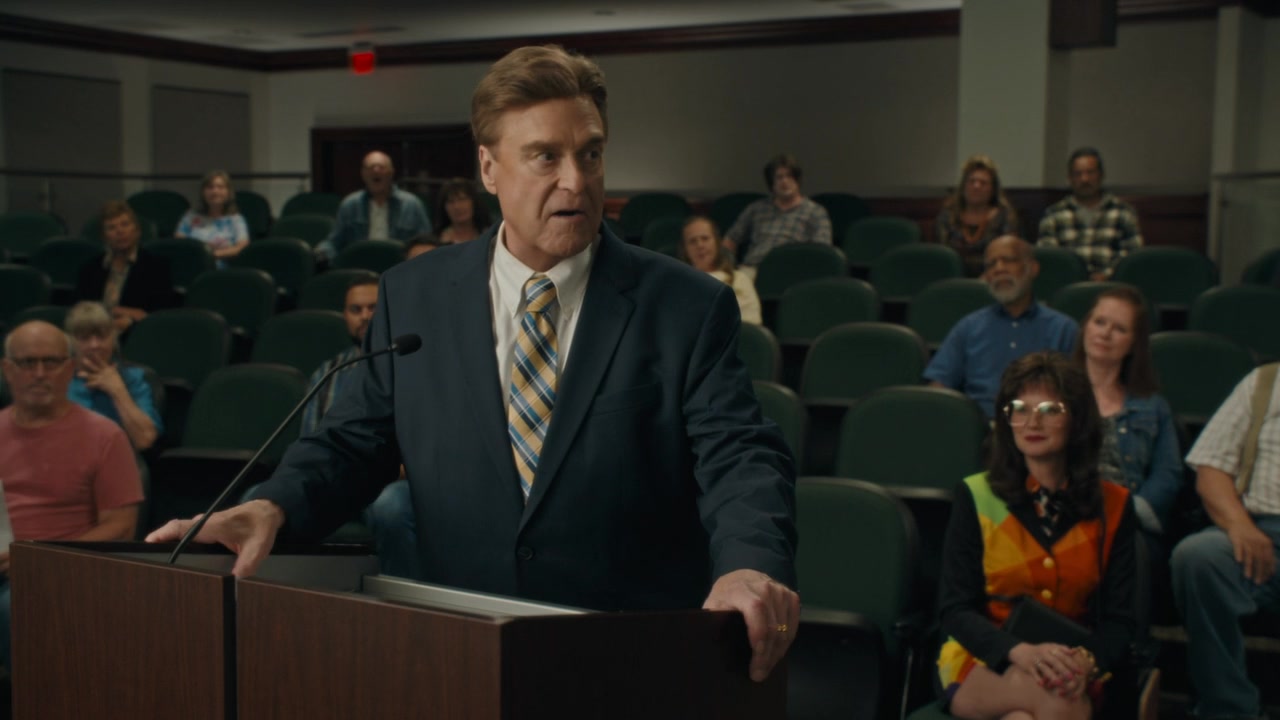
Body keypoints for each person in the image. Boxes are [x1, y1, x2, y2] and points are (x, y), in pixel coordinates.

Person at [149, 44, 799, 683]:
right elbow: (355, 439)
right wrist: (273, 505)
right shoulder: (414, 295)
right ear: (488, 168)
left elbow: (738, 453)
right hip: (461, 652)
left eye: (590, 154)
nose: (576, 180)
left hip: (630, 655)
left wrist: (748, 564)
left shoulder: (686, 305)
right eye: (545, 156)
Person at [937, 351, 1137, 720]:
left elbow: (1120, 621)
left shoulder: (1115, 505)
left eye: (1049, 410)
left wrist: (1086, 661)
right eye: (1019, 409)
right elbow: (955, 609)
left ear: (1077, 419)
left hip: (1074, 664)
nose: (1032, 422)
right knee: (1060, 702)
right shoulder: (975, 494)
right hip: (983, 658)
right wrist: (1019, 652)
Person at [0, 321, 144, 670]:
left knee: (13, 606)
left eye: (50, 362)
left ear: (69, 368)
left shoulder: (105, 436)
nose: (39, 373)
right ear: (7, 370)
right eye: (27, 363)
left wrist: (38, 558)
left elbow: (122, 527)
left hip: (60, 573)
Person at [1171, 364, 1280, 720]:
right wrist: (1239, 525)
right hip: (1261, 532)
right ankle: (1228, 708)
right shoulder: (1265, 383)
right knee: (1199, 556)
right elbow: (1211, 468)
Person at [1073, 287, 1182, 551]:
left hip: (1128, 525)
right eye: (1099, 322)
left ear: (1134, 343)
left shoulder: (1153, 406)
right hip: (1065, 514)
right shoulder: (1053, 394)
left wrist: (1127, 513)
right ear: (1086, 326)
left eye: (1120, 329)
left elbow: (1168, 474)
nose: (1105, 333)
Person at [925, 235, 1079, 418]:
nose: (999, 269)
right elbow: (939, 384)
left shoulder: (1063, 329)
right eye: (991, 265)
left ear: (1032, 268)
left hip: (1039, 424)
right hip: (980, 425)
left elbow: (1078, 395)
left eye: (1009, 260)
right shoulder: (969, 327)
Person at [64, 301, 163, 451]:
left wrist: (118, 390)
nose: (95, 345)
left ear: (113, 338)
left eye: (102, 337)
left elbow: (145, 439)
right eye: (85, 338)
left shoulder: (133, 379)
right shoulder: (58, 379)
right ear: (71, 342)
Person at [1037, 148, 1143, 280]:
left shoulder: (1123, 212)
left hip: (1113, 285)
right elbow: (1049, 258)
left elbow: (1132, 257)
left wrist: (1107, 276)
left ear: (1101, 175)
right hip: (1067, 285)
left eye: (1090, 172)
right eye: (1078, 174)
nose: (1085, 179)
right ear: (1069, 178)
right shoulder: (1054, 215)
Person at [724, 153, 832, 277]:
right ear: (772, 183)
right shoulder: (756, 209)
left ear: (797, 180)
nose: (784, 181)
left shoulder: (815, 212)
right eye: (779, 177)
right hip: (753, 268)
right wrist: (727, 265)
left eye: (789, 176)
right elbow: (730, 239)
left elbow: (822, 253)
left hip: (791, 271)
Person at [75, 201, 175, 334]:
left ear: (137, 231)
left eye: (125, 224)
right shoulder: (89, 269)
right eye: (111, 228)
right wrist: (120, 312)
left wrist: (130, 320)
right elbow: (81, 311)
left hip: (139, 334)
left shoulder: (157, 267)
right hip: (95, 333)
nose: (120, 231)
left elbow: (159, 315)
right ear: (104, 236)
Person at [315, 151, 432, 260]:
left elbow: (426, 243)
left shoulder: (412, 204)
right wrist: (322, 252)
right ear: (363, 173)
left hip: (398, 266)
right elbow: (334, 242)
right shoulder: (350, 204)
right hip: (360, 264)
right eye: (370, 167)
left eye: (381, 167)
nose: (376, 171)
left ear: (391, 172)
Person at [935, 155, 1020, 277]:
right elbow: (941, 257)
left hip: (994, 280)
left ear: (992, 189)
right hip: (951, 280)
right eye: (972, 181)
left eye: (983, 183)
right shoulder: (948, 216)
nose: (976, 186)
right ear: (963, 186)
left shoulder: (1005, 217)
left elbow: (1008, 257)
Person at [679, 215, 762, 325]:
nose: (700, 245)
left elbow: (751, 325)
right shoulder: (677, 286)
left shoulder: (740, 279)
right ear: (685, 250)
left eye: (705, 238)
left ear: (717, 243)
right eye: (692, 241)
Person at [174, 170, 250, 264]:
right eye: (210, 187)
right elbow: (179, 242)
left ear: (228, 192)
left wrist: (211, 255)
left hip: (224, 268)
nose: (215, 191)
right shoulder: (190, 216)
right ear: (203, 192)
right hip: (192, 264)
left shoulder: (236, 219)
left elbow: (242, 247)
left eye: (220, 187)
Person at [434, 178, 493, 244]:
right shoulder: (437, 240)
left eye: (462, 199)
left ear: (474, 202)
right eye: (451, 201)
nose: (457, 206)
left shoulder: (489, 236)